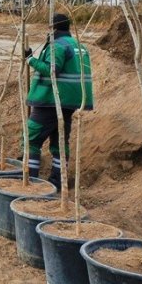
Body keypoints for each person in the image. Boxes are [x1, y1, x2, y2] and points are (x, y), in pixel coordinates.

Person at [23, 13, 94, 190]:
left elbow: (51, 69)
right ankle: (57, 183)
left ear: (53, 27)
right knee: (59, 141)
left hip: (50, 100)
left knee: (31, 139)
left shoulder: (58, 46)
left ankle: (30, 182)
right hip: (69, 102)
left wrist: (30, 59)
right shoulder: (78, 46)